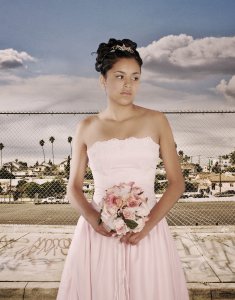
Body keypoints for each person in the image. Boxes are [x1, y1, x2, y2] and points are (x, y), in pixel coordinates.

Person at [56, 38, 189, 300]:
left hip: (148, 231)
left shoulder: (157, 120)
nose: (128, 84)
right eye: (119, 76)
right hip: (99, 233)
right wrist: (96, 222)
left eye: (135, 77)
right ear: (103, 80)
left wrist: (147, 226)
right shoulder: (86, 127)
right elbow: (73, 187)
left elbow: (177, 183)